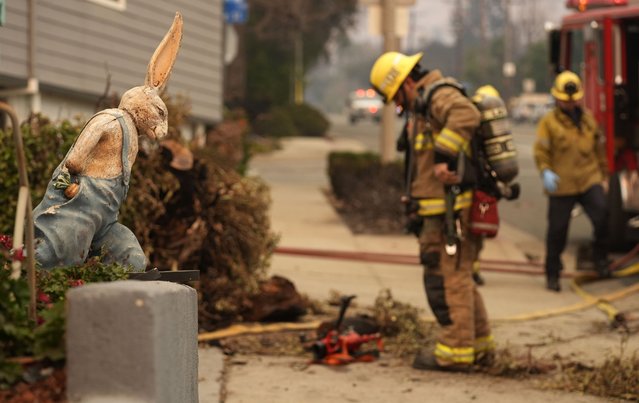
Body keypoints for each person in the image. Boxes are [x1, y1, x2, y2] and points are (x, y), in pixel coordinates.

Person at [370, 51, 494, 372]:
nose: (398, 107)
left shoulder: (439, 94)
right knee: (460, 277)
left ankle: (454, 350)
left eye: (397, 98)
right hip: (438, 209)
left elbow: (466, 115)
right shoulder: (424, 105)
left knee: (449, 278)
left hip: (452, 211)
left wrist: (444, 156)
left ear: (407, 83)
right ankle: (480, 345)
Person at [533, 70, 610, 292]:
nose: (570, 103)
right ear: (556, 98)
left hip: (588, 178)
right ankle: (552, 273)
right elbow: (541, 151)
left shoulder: (587, 119)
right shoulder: (549, 122)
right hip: (561, 183)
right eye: (565, 100)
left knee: (602, 216)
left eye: (574, 99)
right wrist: (545, 171)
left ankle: (600, 260)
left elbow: (599, 150)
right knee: (557, 230)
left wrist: (603, 177)